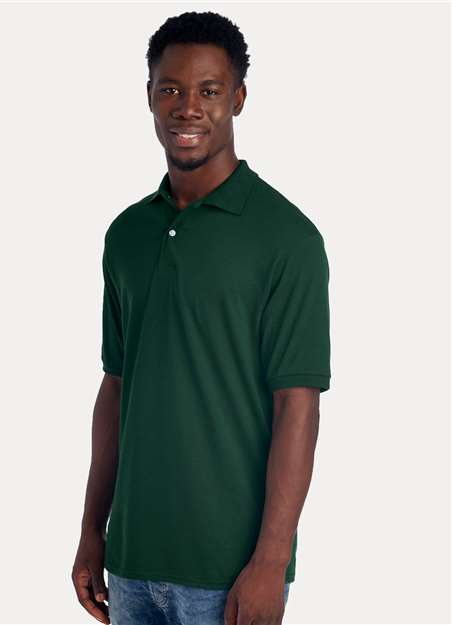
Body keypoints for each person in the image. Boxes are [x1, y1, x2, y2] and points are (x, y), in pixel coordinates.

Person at [72, 10, 331, 625]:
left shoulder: (286, 238)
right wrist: (91, 531)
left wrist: (272, 560)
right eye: (172, 89)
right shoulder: (126, 234)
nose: (188, 107)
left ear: (238, 99)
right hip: (130, 563)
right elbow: (116, 388)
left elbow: (296, 404)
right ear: (149, 97)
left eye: (209, 91)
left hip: (229, 573)